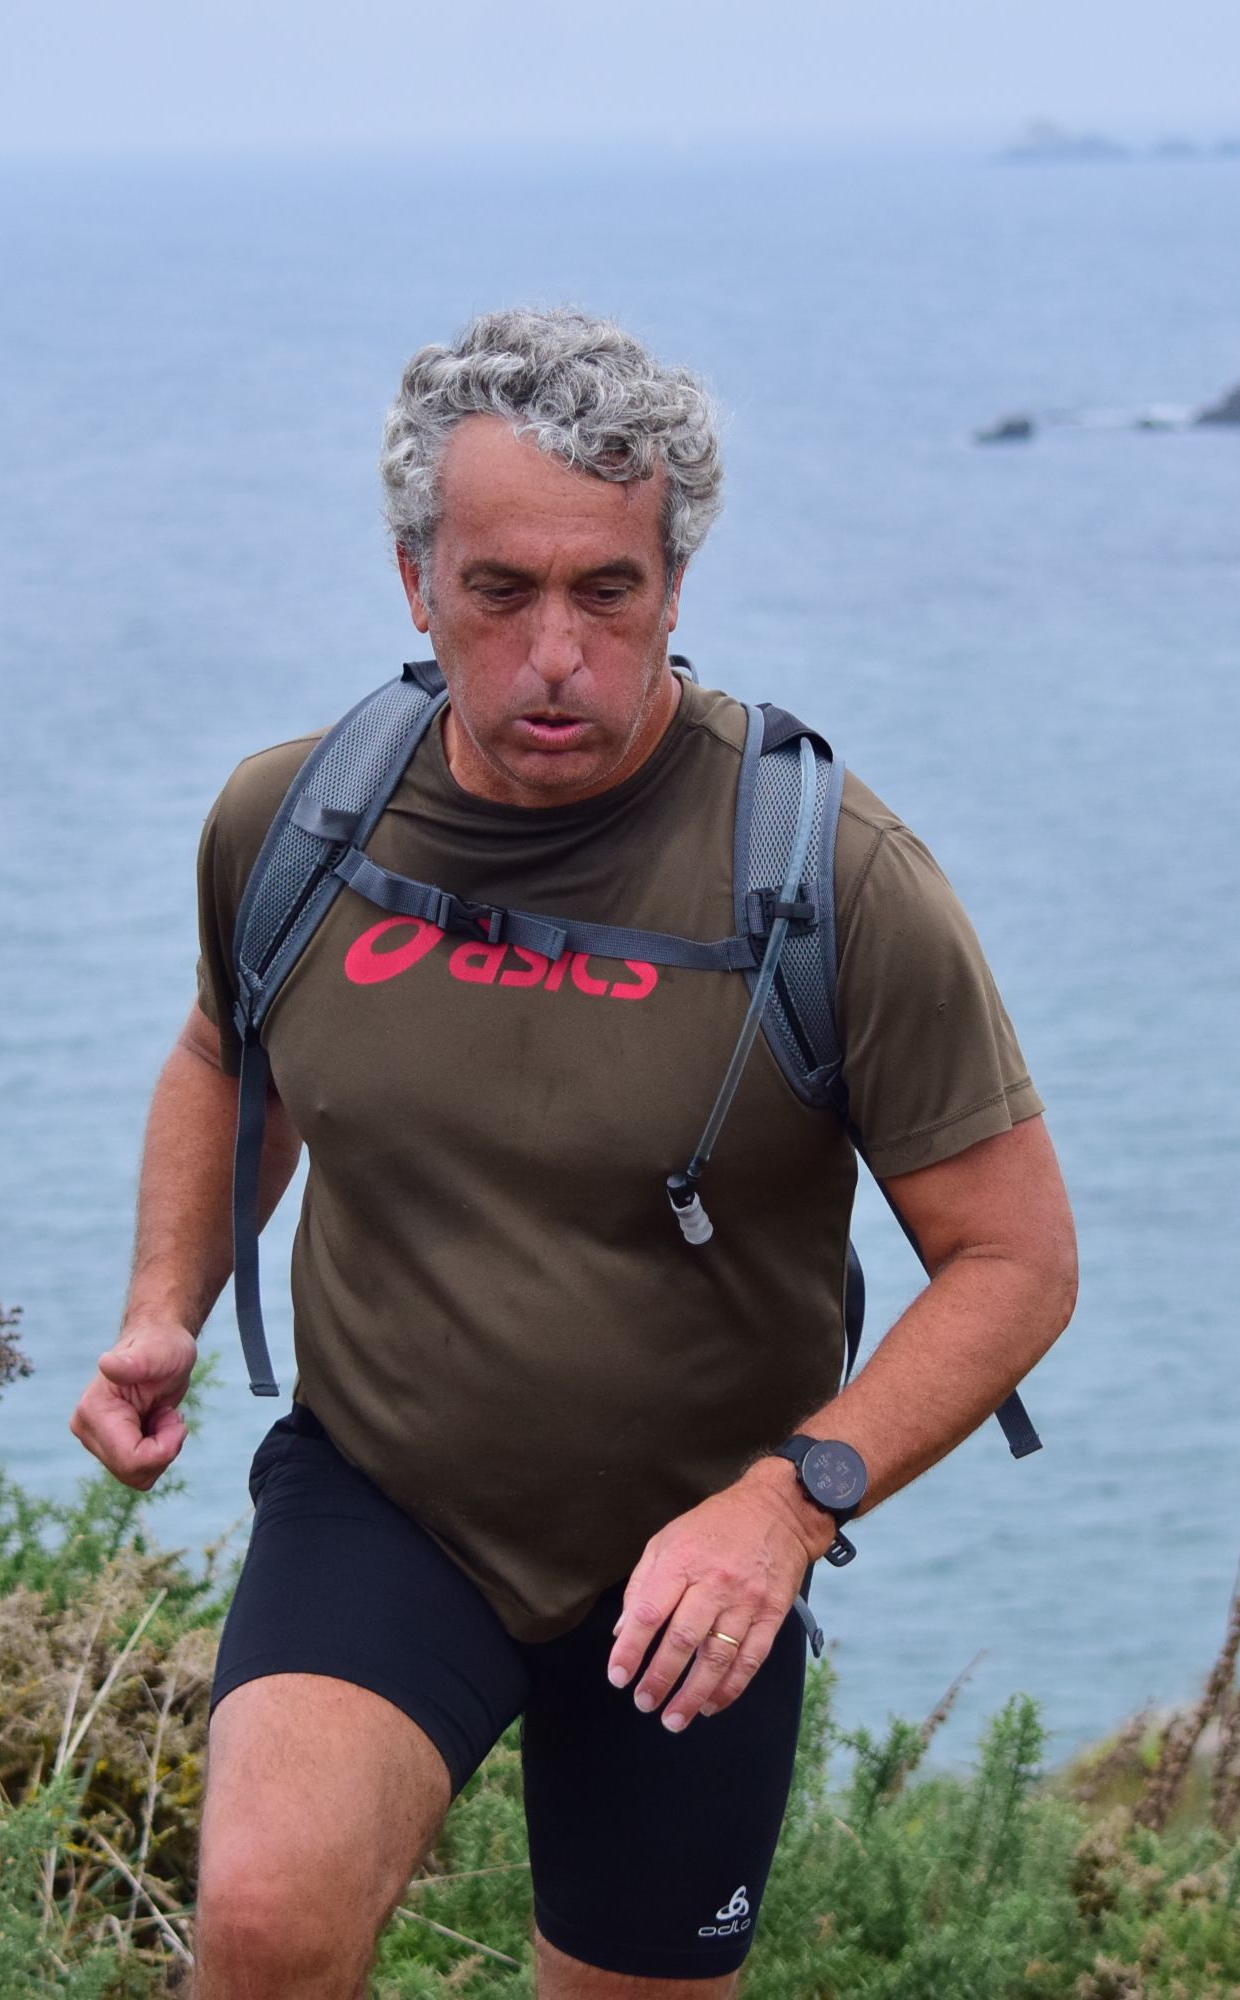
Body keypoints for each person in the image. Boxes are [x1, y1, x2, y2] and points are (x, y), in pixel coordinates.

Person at [69, 307, 1077, 1998]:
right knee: (262, 1927)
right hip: (384, 1491)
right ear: (415, 582)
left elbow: (1017, 1260)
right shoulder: (294, 824)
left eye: (608, 592)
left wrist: (789, 1506)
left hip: (697, 1556)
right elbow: (225, 1054)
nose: (556, 653)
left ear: (674, 586)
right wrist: (165, 1303)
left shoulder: (830, 877)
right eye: (500, 591)